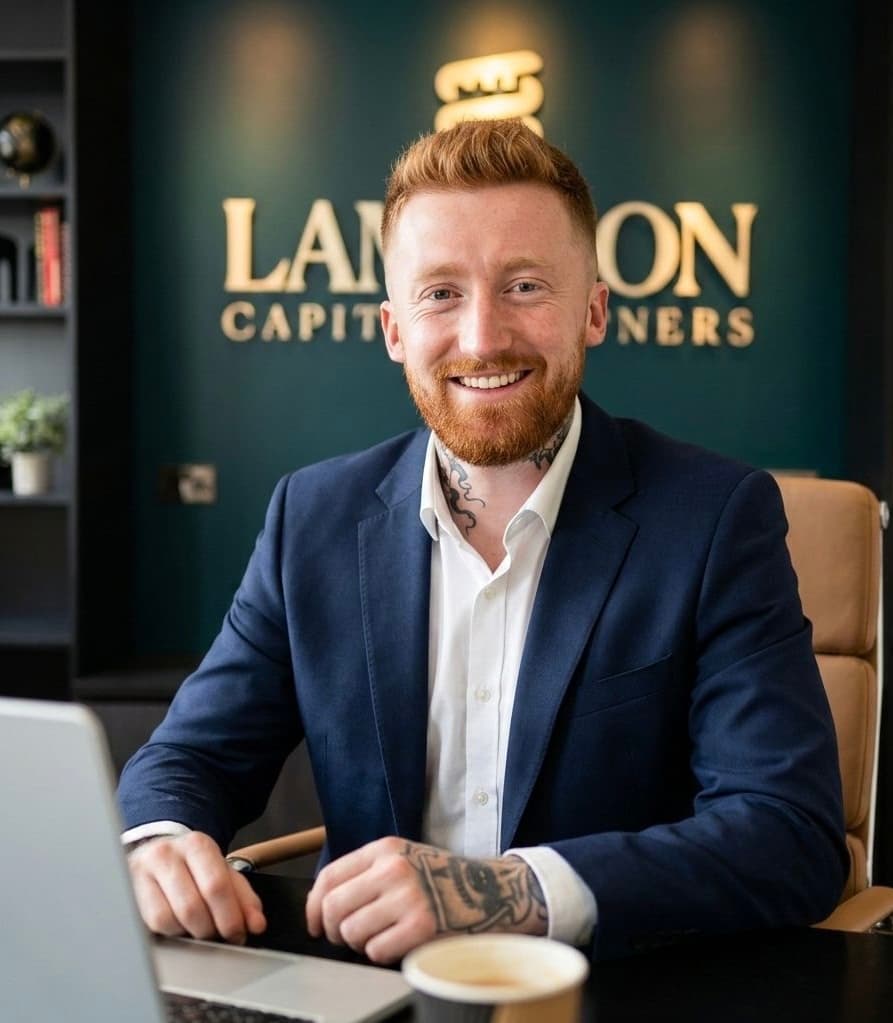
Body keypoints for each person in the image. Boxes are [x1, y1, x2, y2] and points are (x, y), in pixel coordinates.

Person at [118, 118, 847, 963]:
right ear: (394, 329)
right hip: (368, 993)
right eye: (440, 293)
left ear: (594, 311)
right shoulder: (310, 518)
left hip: (606, 993)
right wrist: (159, 840)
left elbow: (787, 834)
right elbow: (191, 755)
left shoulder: (716, 518)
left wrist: (509, 893)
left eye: (526, 286)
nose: (482, 338)